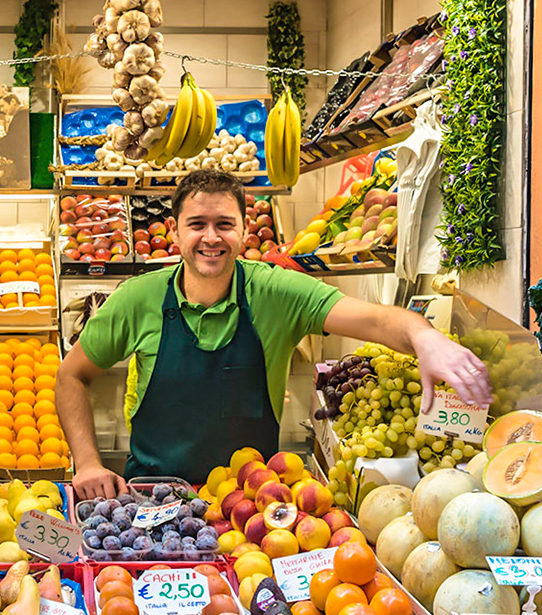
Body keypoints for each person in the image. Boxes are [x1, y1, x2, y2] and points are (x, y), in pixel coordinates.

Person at [57, 168, 491, 499]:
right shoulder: (138, 298)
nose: (211, 237)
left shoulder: (276, 292)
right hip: (152, 498)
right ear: (174, 232)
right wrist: (88, 463)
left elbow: (377, 320)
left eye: (225, 224)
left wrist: (425, 337)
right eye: (197, 225)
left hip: (255, 501)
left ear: (245, 230)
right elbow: (71, 375)